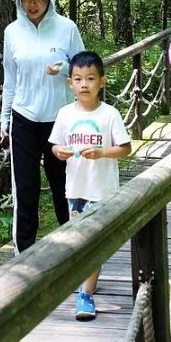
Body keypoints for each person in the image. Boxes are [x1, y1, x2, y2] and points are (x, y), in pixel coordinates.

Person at [1, 0, 85, 254]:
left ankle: (73, 251)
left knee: (66, 188)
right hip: (23, 119)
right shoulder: (12, 32)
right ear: (19, 0)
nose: (33, 4)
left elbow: (85, 73)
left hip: (61, 121)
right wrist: (5, 119)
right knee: (25, 190)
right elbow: (9, 80)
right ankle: (23, 255)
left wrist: (65, 70)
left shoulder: (67, 28)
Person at [49, 51, 132, 321]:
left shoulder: (110, 114)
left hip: (102, 189)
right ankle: (90, 279)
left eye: (90, 78)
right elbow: (55, 145)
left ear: (102, 82)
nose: (84, 84)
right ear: (70, 83)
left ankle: (85, 296)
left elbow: (125, 148)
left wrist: (101, 153)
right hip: (75, 188)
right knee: (79, 239)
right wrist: (59, 151)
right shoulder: (64, 114)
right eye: (78, 79)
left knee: (94, 241)